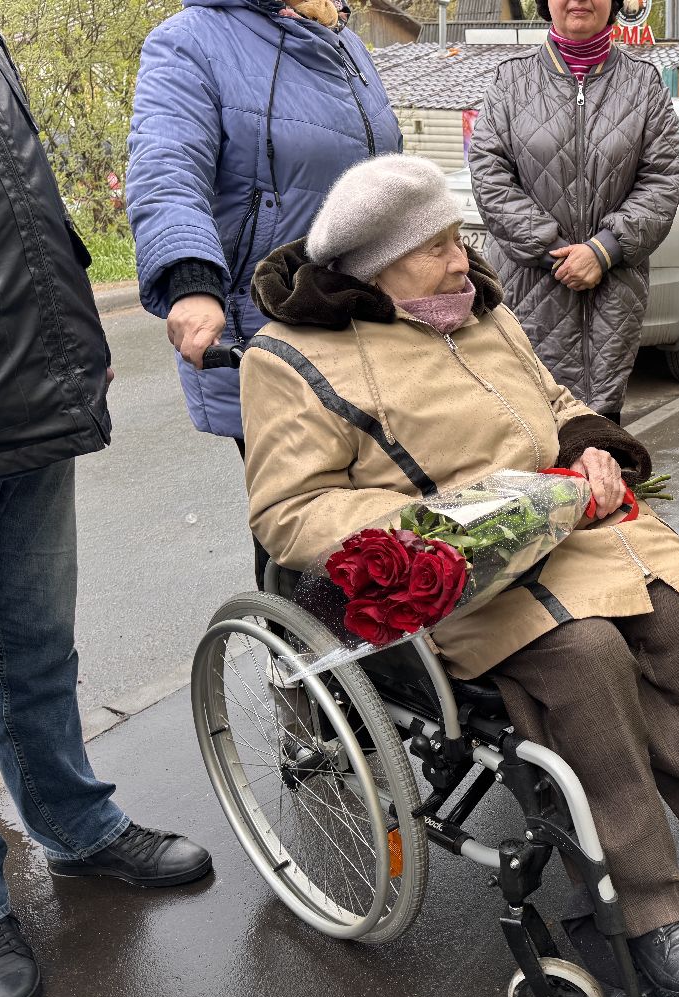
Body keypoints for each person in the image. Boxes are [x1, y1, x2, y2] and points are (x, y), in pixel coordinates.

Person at [238, 155, 679, 997]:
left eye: (458, 238)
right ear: (373, 266)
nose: (462, 261)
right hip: (455, 571)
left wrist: (590, 446)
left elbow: (551, 400)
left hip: (564, 527)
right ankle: (646, 908)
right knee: (585, 655)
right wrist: (445, 522)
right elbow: (289, 511)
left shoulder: (478, 311)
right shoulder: (292, 358)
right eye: (437, 248)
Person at [0, 0, 212, 997]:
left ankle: (76, 826)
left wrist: (67, 340)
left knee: (35, 649)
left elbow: (8, 192)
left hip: (25, 388)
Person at [127, 0, 402, 585]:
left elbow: (384, 176)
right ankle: (295, 644)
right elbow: (167, 169)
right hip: (268, 326)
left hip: (364, 318)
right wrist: (191, 279)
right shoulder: (191, 40)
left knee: (385, 516)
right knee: (308, 532)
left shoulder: (342, 40)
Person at [468, 0, 679, 424]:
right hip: (527, 296)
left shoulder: (644, 84)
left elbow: (663, 179)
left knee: (603, 437)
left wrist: (603, 251)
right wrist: (555, 252)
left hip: (612, 302)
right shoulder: (511, 81)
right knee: (531, 435)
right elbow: (489, 174)